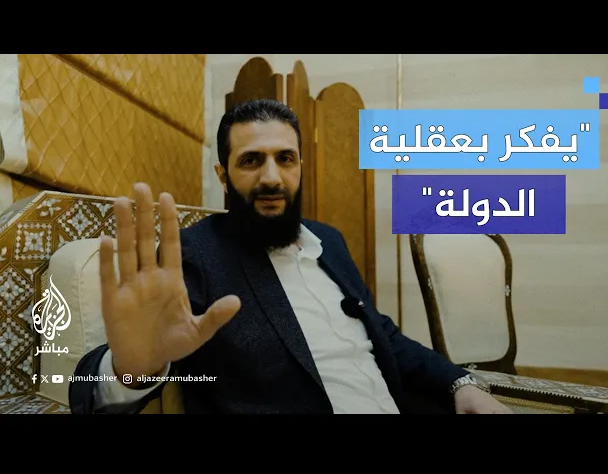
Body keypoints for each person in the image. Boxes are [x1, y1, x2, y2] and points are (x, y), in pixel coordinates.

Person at [69, 99, 512, 414]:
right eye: (251, 161)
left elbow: (385, 336)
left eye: (285, 158)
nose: (271, 177)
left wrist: (460, 384)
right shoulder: (196, 253)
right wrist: (130, 372)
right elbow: (120, 368)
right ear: (223, 175)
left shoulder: (329, 241)